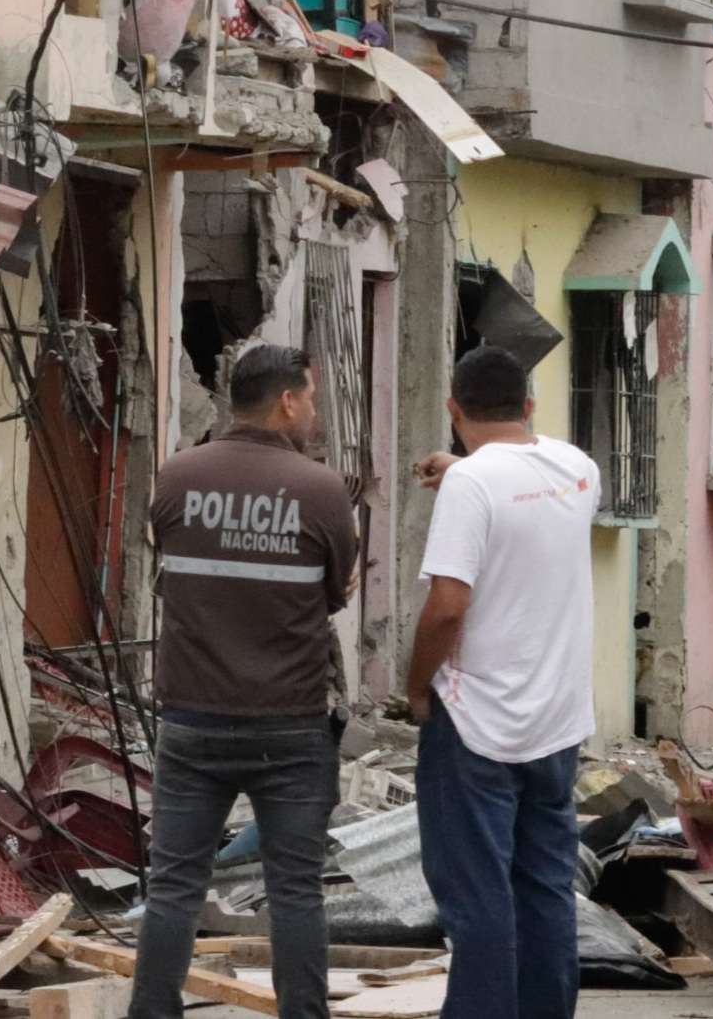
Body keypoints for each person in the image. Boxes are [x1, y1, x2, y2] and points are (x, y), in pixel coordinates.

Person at [135, 347, 358, 1019]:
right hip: (290, 727)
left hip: (193, 722)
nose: (313, 413)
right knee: (296, 892)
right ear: (286, 400)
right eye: (310, 399)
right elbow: (333, 593)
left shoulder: (177, 477)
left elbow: (175, 566)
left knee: (173, 887)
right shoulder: (322, 490)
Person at [408, 346, 600, 1019]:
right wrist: (465, 468)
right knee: (546, 888)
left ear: (453, 409)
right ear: (529, 405)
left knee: (477, 898)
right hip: (557, 724)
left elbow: (447, 607)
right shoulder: (579, 470)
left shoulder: (471, 486)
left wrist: (416, 688)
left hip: (477, 725)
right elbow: (523, 486)